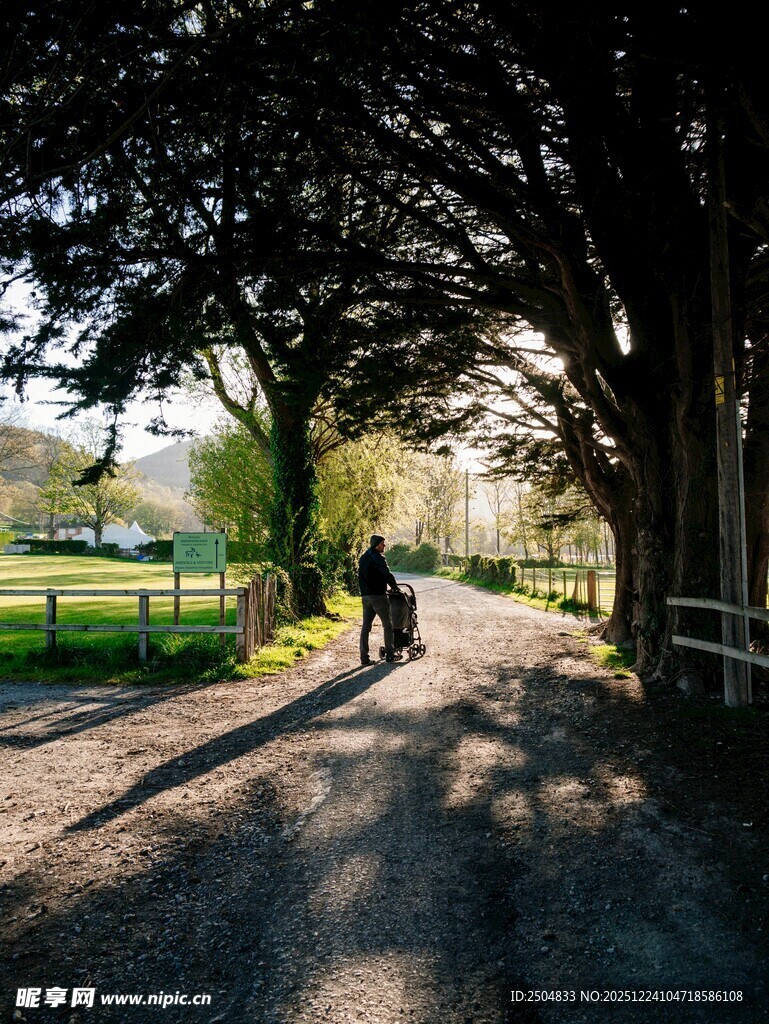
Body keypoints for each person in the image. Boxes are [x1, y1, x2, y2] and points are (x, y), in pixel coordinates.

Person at [358, 534, 400, 665]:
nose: (384, 546)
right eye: (382, 544)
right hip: (378, 597)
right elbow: (387, 574)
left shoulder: (363, 558)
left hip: (366, 597)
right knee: (388, 625)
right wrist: (395, 588)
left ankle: (364, 658)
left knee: (366, 627)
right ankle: (390, 655)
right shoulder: (378, 558)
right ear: (376, 545)